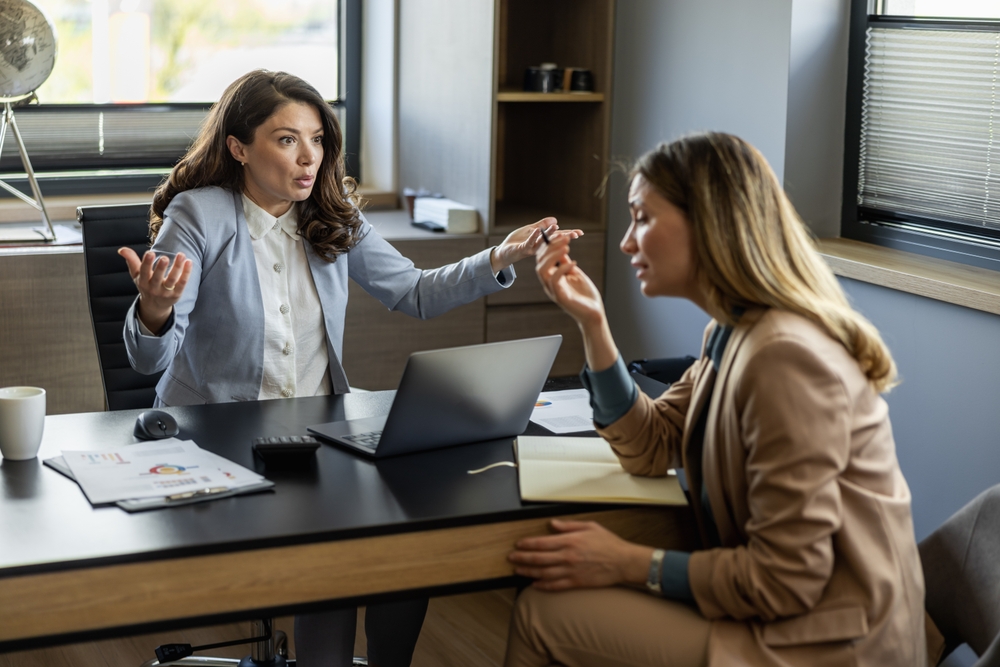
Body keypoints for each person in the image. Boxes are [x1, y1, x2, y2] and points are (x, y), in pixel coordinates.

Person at [118, 69, 577, 667]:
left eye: (317, 139)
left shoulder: (331, 215)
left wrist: (500, 255)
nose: (308, 158)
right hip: (217, 433)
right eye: (286, 140)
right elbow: (150, 358)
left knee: (408, 531)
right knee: (329, 541)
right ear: (238, 147)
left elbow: (413, 291)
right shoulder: (201, 214)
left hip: (316, 428)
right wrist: (153, 309)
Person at [505, 132, 930, 667]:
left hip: (829, 643)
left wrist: (627, 563)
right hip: (787, 617)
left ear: (709, 223)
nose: (626, 243)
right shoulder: (733, 332)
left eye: (642, 218)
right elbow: (651, 447)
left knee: (543, 613)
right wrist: (593, 323)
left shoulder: (785, 359)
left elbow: (785, 581)